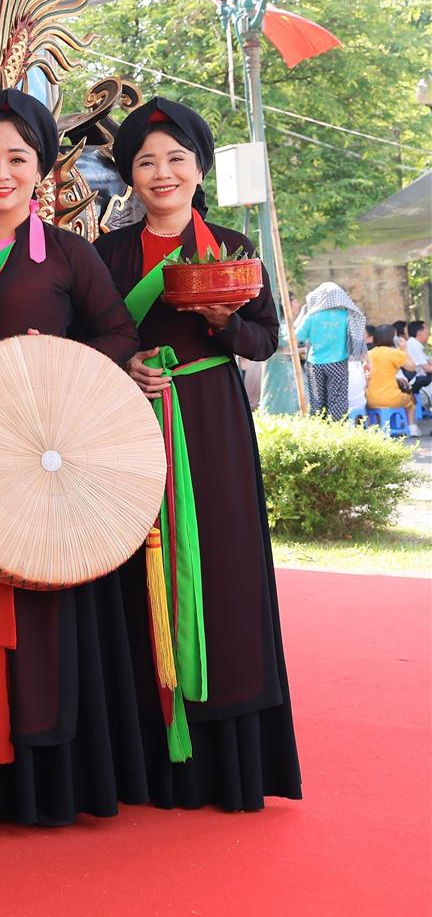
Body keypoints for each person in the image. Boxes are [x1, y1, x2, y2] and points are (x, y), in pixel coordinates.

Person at [0, 89, 150, 827]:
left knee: (45, 608)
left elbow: (119, 335)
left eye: (17, 158)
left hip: (43, 461)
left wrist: (59, 359)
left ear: (42, 167)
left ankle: (52, 775)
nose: (1, 173)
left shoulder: (68, 253)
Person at [99, 97, 301, 812]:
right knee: (132, 566)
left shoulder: (233, 246)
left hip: (212, 423)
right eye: (146, 162)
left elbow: (265, 339)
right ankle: (145, 751)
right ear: (130, 175)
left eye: (176, 159)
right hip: (129, 424)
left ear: (199, 168)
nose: (163, 173)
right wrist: (123, 363)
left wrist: (224, 323)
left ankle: (226, 754)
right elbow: (88, 331)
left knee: (223, 569)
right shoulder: (108, 253)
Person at [293, 283, 364, 419]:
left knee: (317, 400)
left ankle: (319, 426)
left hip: (314, 363)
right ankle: (336, 427)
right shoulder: (345, 315)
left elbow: (296, 337)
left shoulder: (311, 316)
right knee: (337, 400)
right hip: (338, 362)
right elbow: (355, 339)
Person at [367, 326, 413, 412]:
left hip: (370, 399)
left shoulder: (368, 354)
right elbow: (412, 367)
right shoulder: (394, 353)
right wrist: (404, 349)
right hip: (391, 397)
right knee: (411, 400)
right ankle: (411, 421)